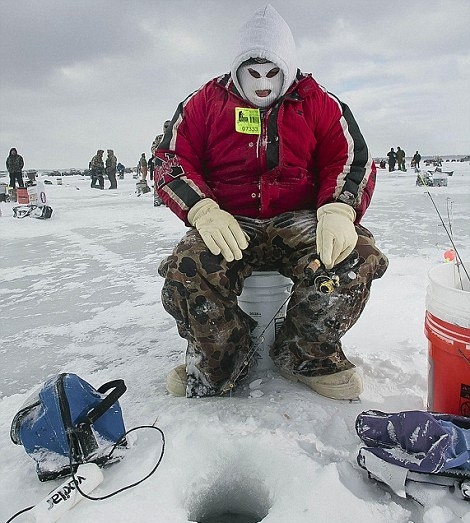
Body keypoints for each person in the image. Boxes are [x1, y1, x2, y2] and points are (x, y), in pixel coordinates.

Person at [155, 5, 388, 400]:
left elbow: (351, 159)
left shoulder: (320, 103)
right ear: (237, 70)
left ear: (287, 68)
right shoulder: (203, 104)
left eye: (272, 73)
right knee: (190, 267)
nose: (262, 84)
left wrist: (338, 209)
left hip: (298, 220)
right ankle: (219, 359)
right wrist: (203, 210)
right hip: (231, 220)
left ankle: (307, 353)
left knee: (355, 256)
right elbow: (170, 161)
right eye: (252, 74)